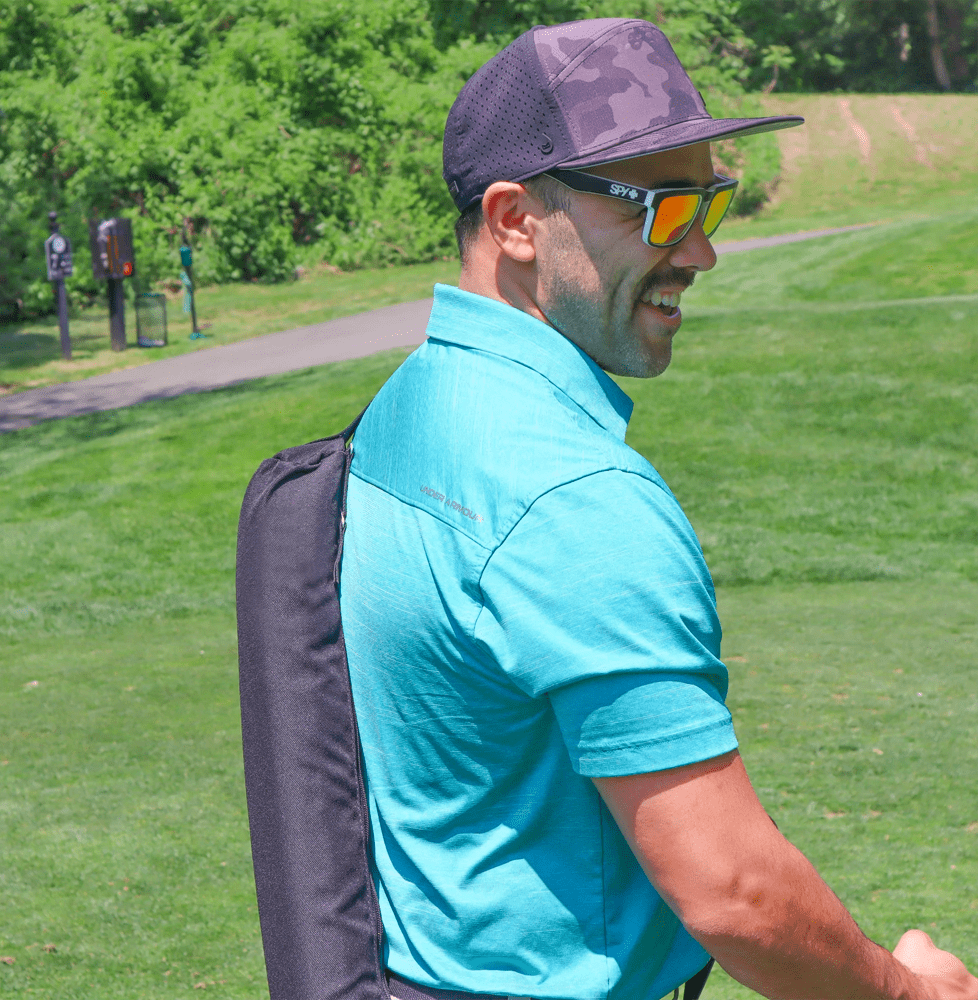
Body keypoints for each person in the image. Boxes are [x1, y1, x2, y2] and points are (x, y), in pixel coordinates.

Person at [337, 18, 978, 1000]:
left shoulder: (405, 408)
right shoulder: (572, 497)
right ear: (516, 221)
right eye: (663, 208)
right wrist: (911, 991)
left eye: (708, 203)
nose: (701, 252)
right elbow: (735, 894)